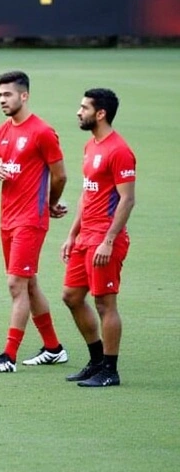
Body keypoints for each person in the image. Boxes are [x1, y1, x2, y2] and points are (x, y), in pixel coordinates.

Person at [0, 71, 69, 373]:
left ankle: (8, 355)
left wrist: (50, 204)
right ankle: (54, 348)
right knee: (29, 283)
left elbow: (60, 175)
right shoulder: (1, 132)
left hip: (30, 219)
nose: (2, 100)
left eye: (7, 95)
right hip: (6, 219)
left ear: (24, 95)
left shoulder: (42, 132)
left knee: (16, 283)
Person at [61, 89, 135, 388]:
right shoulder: (91, 146)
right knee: (71, 296)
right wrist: (71, 233)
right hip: (85, 236)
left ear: (100, 113)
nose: (79, 112)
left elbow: (127, 200)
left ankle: (111, 370)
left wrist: (108, 239)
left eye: (84, 107)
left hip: (105, 239)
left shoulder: (119, 151)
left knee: (105, 304)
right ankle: (96, 360)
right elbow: (87, 193)